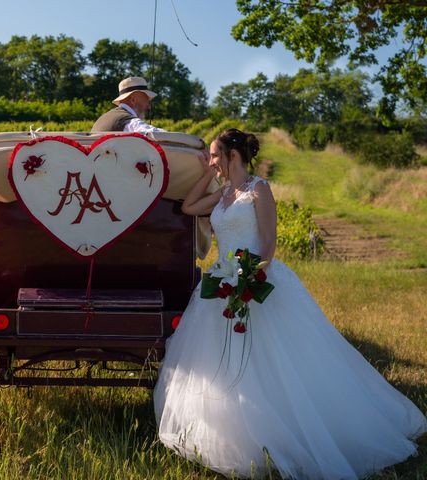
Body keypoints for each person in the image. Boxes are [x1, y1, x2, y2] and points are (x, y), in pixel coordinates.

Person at [154, 128, 426, 479]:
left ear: (232, 156)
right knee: (221, 360)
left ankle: (289, 431)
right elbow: (189, 207)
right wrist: (206, 172)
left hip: (254, 278)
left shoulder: (258, 190)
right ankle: (234, 431)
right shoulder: (222, 192)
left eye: (215, 156)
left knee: (275, 361)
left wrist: (251, 277)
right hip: (221, 281)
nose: (212, 162)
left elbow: (269, 241)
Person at [91, 76, 166, 134]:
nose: (149, 106)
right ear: (133, 100)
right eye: (146, 100)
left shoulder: (102, 118)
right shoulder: (128, 121)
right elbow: (155, 134)